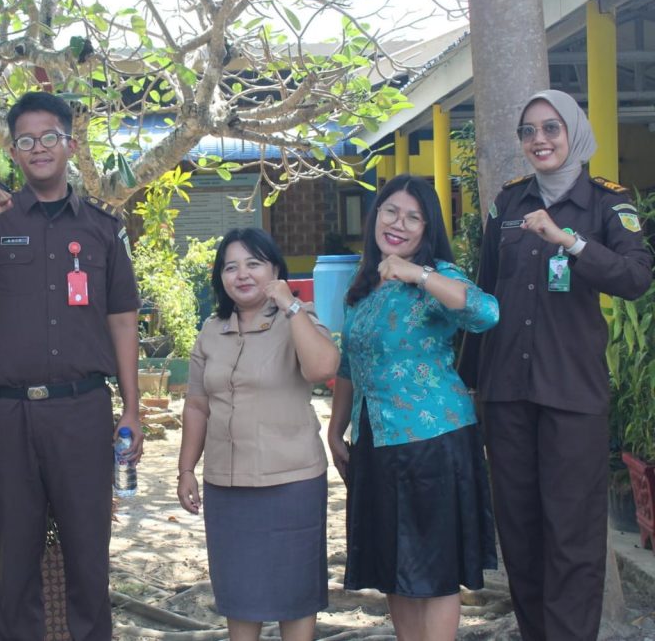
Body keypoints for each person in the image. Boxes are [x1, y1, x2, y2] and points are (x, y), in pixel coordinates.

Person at [0, 90, 141, 641]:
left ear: (68, 143)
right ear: (13, 151)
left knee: (89, 554)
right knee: (15, 559)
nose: (38, 148)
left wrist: (132, 407)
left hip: (82, 409)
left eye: (49, 137)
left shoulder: (101, 228)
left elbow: (121, 316)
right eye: (25, 140)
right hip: (8, 415)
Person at [459, 90, 653, 641]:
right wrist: (469, 382)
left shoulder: (607, 203)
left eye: (551, 128)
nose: (539, 139)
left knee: (572, 535)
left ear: (573, 134)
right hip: (506, 394)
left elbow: (636, 279)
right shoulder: (509, 203)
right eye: (528, 131)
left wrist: (569, 241)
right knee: (519, 534)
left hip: (572, 395)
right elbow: (486, 292)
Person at [327, 174, 499, 641]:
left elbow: (485, 313)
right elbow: (348, 362)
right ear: (375, 217)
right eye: (390, 211)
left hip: (433, 443)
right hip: (375, 441)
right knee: (392, 565)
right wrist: (335, 428)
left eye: (413, 217)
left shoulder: (438, 274)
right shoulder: (362, 286)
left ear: (427, 228)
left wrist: (418, 274)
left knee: (435, 567)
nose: (398, 224)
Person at [176, 227, 339, 641]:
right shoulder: (212, 330)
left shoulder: (298, 319)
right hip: (227, 486)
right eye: (231, 267)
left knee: (295, 592)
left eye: (254, 264)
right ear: (221, 277)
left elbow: (323, 369)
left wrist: (290, 305)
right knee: (239, 592)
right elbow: (197, 404)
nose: (242, 275)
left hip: (292, 481)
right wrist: (186, 470)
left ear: (275, 270)